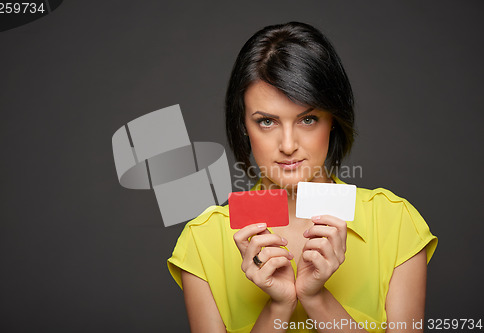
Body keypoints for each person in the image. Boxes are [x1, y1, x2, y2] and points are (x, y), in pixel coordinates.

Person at [167, 22, 437, 333]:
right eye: (266, 121)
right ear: (242, 124)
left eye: (308, 119)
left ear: (333, 120)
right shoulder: (203, 240)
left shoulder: (395, 222)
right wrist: (280, 306)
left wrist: (316, 298)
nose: (288, 145)